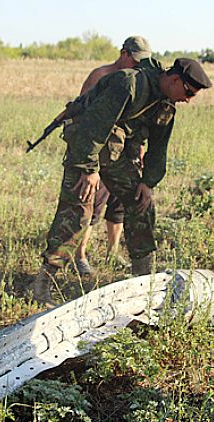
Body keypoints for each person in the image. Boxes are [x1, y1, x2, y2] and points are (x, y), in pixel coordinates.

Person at [31, 57, 212, 305]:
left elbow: (159, 149)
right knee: (78, 212)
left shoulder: (166, 106)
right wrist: (87, 170)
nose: (188, 99)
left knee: (141, 203)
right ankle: (43, 283)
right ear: (174, 79)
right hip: (85, 148)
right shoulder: (129, 84)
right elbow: (93, 127)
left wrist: (147, 182)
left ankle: (143, 277)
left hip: (114, 154)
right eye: (188, 92)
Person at [74, 36, 152, 276]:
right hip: (102, 152)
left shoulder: (137, 79)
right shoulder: (101, 74)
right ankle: (80, 256)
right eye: (134, 60)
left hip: (125, 153)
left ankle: (112, 252)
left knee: (118, 207)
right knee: (92, 205)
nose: (136, 65)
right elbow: (84, 111)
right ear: (123, 53)